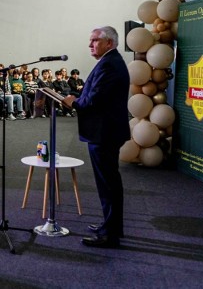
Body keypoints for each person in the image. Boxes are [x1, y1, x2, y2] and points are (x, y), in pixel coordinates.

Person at [62, 26, 130, 248]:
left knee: (108, 184)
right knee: (108, 183)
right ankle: (111, 226)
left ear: (108, 43)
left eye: (94, 40)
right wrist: (79, 97)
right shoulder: (109, 61)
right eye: (90, 40)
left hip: (105, 133)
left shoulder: (110, 65)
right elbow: (93, 93)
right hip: (106, 131)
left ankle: (110, 235)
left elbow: (94, 101)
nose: (90, 44)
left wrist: (74, 102)